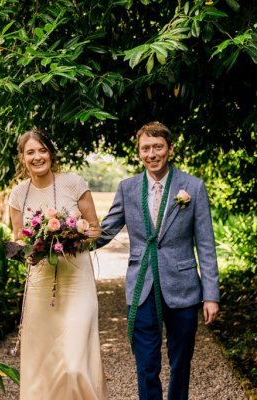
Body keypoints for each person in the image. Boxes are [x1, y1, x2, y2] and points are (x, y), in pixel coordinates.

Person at [96, 121, 220, 400]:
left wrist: (211, 295)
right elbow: (105, 231)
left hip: (183, 287)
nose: (152, 154)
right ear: (139, 152)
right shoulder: (127, 188)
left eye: (158, 147)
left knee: (181, 363)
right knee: (146, 365)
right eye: (145, 148)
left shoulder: (193, 187)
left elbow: (206, 245)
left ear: (170, 149)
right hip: (142, 288)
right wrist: (66, 238)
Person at [8, 128, 108, 400]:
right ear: (22, 158)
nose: (37, 156)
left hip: (76, 279)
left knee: (74, 365)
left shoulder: (74, 183)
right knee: (43, 362)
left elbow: (96, 229)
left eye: (42, 150)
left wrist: (74, 234)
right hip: (40, 284)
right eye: (30, 152)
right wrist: (24, 249)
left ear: (51, 153)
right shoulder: (18, 195)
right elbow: (18, 238)